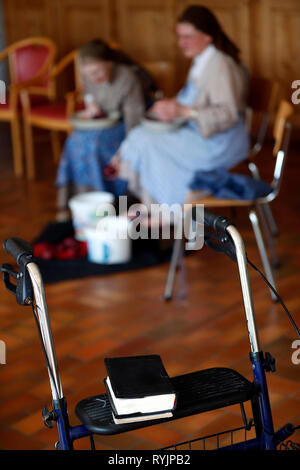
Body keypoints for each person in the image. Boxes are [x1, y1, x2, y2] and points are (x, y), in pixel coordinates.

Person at [111, 5, 250, 208]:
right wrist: (171, 106)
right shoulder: (202, 60)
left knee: (149, 144)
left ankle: (171, 207)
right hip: (202, 133)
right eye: (179, 36)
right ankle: (151, 204)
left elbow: (227, 114)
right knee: (140, 134)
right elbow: (195, 100)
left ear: (208, 36)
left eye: (188, 37)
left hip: (220, 142)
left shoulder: (221, 65)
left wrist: (183, 111)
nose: (181, 43)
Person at [56, 39, 151, 218]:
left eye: (98, 72)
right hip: (103, 121)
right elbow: (89, 93)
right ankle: (81, 198)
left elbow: (134, 121)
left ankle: (109, 199)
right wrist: (92, 106)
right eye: (89, 74)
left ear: (110, 64)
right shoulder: (89, 77)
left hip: (128, 124)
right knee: (74, 141)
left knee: (95, 144)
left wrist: (124, 150)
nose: (94, 78)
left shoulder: (128, 78)